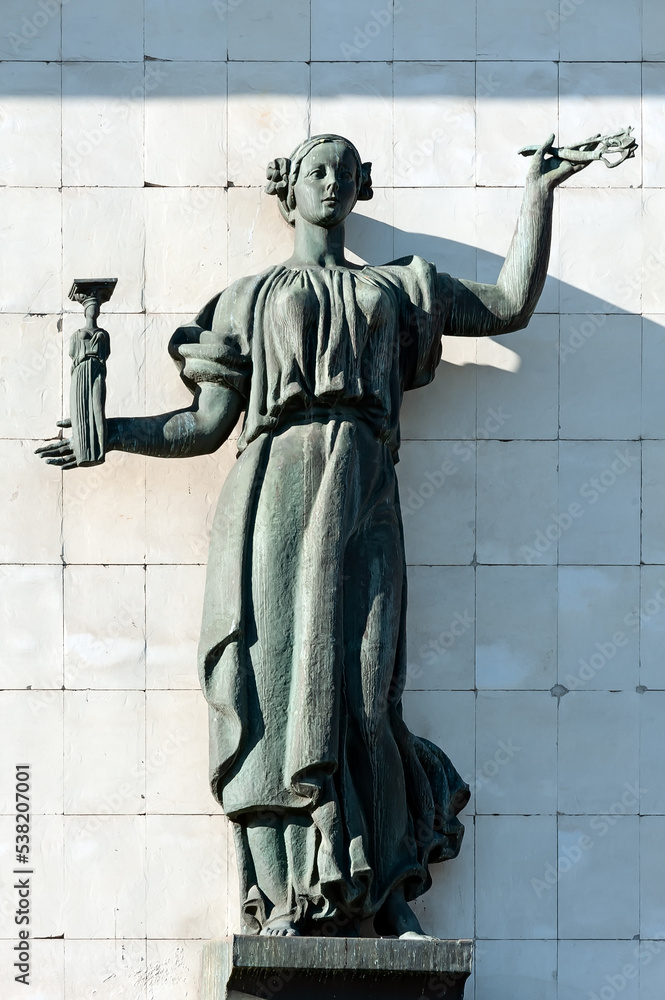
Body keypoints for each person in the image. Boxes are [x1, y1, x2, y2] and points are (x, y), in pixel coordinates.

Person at [37, 133, 588, 938]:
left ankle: (377, 882)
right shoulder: (246, 300)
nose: (329, 182)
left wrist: (537, 194)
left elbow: (507, 304)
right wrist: (111, 433)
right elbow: (205, 423)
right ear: (287, 189)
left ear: (362, 186)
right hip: (273, 495)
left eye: (343, 171)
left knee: (364, 688)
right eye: (313, 170)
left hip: (363, 487)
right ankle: (285, 895)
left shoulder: (401, 289)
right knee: (278, 684)